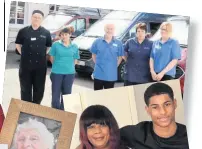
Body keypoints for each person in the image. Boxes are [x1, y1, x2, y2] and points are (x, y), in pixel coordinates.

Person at [120, 82, 189, 149]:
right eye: (155, 107)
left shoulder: (191, 136)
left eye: (167, 104)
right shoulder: (137, 133)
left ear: (175, 103)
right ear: (148, 110)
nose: (163, 112)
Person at [15, 10, 52, 104]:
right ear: (31, 18)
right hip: (25, 65)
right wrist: (22, 54)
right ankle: (26, 109)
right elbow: (18, 44)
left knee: (39, 89)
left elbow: (49, 46)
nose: (36, 19)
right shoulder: (23, 31)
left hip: (40, 66)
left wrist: (42, 54)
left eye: (39, 18)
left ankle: (36, 108)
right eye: (35, 17)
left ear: (42, 20)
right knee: (25, 88)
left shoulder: (46, 32)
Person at [49, 27, 79, 110]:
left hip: (70, 74)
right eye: (62, 35)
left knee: (67, 95)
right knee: (55, 95)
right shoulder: (55, 45)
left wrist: (70, 67)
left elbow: (75, 59)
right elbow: (52, 58)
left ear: (70, 35)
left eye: (66, 34)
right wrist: (58, 65)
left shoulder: (75, 46)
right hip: (56, 73)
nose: (64, 36)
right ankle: (55, 112)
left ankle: (63, 112)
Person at [90, 23, 124, 90]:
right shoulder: (97, 41)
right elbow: (93, 54)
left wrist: (115, 65)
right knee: (97, 95)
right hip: (98, 74)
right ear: (104, 29)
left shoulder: (118, 43)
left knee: (108, 97)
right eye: (108, 28)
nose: (109, 30)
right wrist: (98, 63)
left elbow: (120, 57)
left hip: (111, 75)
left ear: (114, 30)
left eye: (111, 29)